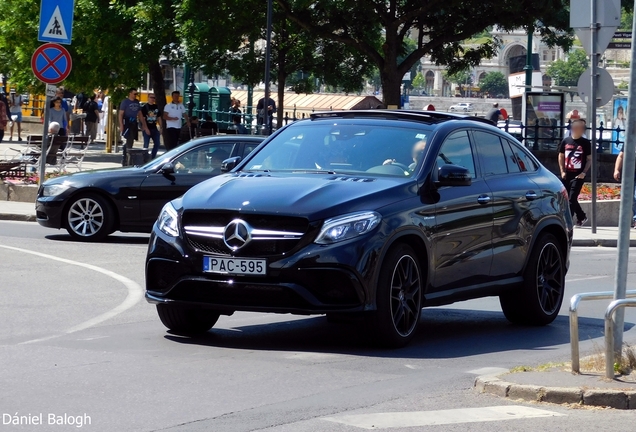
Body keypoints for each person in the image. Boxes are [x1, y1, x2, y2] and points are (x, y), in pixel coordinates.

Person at [558, 119, 592, 227]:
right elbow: (561, 156)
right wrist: (562, 171)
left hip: (578, 175)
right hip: (567, 174)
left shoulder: (586, 143)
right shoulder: (566, 141)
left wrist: (584, 172)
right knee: (566, 197)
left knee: (572, 198)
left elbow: (589, 159)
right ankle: (581, 216)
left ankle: (568, 222)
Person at [613, 147, 636, 227]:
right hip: (630, 173)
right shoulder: (631, 139)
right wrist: (616, 170)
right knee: (631, 198)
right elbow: (621, 156)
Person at [118, 88, 141, 165]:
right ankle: (125, 159)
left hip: (134, 122)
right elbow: (121, 114)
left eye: (136, 94)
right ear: (130, 93)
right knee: (127, 140)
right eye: (134, 94)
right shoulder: (125, 102)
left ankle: (128, 157)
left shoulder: (137, 102)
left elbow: (139, 114)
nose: (135, 95)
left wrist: (143, 124)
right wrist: (121, 125)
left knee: (131, 140)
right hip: (127, 122)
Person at [139, 93, 162, 158]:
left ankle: (153, 157)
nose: (152, 99)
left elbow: (159, 118)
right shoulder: (144, 107)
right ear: (148, 98)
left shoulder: (156, 107)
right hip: (147, 128)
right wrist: (146, 129)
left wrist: (161, 128)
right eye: (151, 97)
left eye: (154, 98)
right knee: (146, 145)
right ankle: (144, 158)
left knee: (157, 144)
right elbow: (142, 119)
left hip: (154, 128)